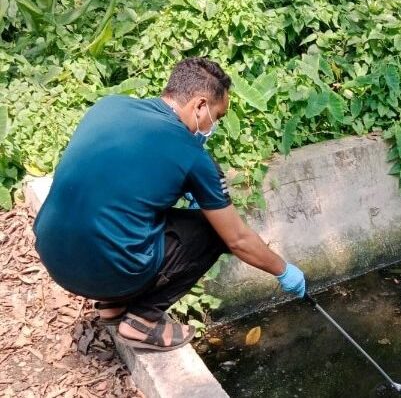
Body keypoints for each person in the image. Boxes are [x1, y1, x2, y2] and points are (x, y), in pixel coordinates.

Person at [33, 57, 306, 351]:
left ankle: (112, 306)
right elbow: (238, 239)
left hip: (53, 257)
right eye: (218, 116)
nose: (214, 126)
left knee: (130, 212)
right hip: (108, 273)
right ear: (200, 106)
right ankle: (142, 322)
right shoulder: (193, 156)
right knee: (212, 232)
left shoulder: (109, 106)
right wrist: (283, 270)